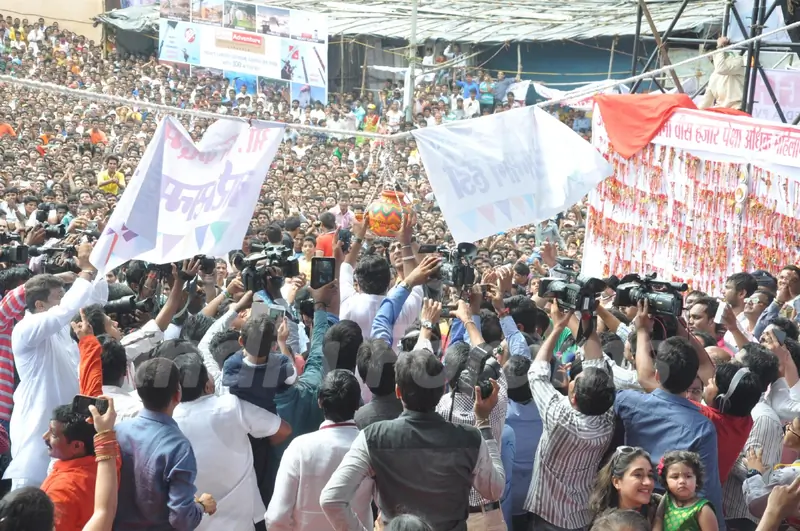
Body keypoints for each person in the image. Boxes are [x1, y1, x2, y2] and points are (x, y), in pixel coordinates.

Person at [319, 350, 505, 530]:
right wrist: (483, 423)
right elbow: (494, 490)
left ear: (398, 392)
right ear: (442, 390)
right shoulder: (470, 438)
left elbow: (331, 499)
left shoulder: (372, 437)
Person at [6, 243, 108, 490]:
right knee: (27, 510)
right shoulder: (25, 329)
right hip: (36, 434)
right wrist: (84, 273)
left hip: (63, 434)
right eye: (58, 297)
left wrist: (98, 267)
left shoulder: (61, 329)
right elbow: (65, 311)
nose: (63, 302)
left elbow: (93, 301)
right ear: (39, 305)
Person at [171, 347, 289, 531]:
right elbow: (283, 430)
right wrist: (260, 450)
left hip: (197, 522)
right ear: (207, 386)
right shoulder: (230, 406)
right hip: (247, 518)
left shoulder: (167, 422)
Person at [525, 307, 616, 531]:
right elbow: (595, 362)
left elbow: (536, 372)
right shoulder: (607, 416)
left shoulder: (559, 416)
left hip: (548, 514)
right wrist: (585, 317)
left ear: (573, 397)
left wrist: (557, 328)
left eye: (576, 380)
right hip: (582, 516)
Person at [114, 358, 218, 530]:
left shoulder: (117, 432)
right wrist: (201, 506)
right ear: (178, 394)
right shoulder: (178, 447)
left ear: (138, 392)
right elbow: (181, 519)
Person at [266, 370, 371, 530]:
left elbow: (276, 518)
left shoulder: (299, 448)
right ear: (358, 404)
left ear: (320, 402)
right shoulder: (370, 447)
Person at [589, 447, 660, 526]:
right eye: (638, 475)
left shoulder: (663, 507)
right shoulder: (607, 525)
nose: (648, 482)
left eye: (650, 475)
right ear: (616, 482)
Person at [654, 450, 718, 531]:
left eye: (688, 476)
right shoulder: (667, 498)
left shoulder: (702, 509)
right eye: (675, 477)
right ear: (666, 481)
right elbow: (658, 518)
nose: (682, 481)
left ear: (697, 480)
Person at [699, 37, 745, 110]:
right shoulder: (713, 75)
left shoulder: (738, 61)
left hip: (736, 109)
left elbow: (721, 69)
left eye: (711, 55)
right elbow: (706, 100)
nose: (709, 58)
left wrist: (720, 48)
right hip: (720, 111)